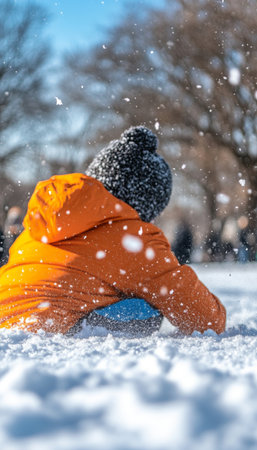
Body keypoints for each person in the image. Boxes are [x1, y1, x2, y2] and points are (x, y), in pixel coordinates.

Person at [0, 126, 226, 335]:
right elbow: (208, 321)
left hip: (5, 324)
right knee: (145, 309)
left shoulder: (36, 225)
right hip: (50, 332)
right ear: (146, 205)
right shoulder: (135, 239)